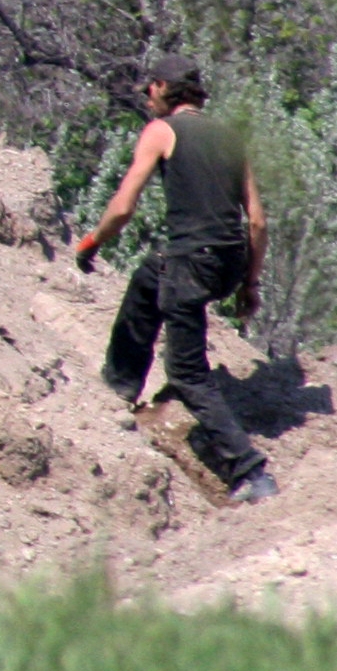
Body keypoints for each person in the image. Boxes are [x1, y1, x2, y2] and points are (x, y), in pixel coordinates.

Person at [74, 54, 277, 504]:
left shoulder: (161, 131)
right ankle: (120, 385)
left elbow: (124, 207)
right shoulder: (229, 137)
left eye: (149, 89)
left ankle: (251, 472)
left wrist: (91, 242)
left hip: (191, 264)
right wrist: (249, 285)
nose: (147, 98)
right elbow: (258, 222)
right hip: (227, 263)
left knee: (187, 373)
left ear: (162, 88)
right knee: (150, 273)